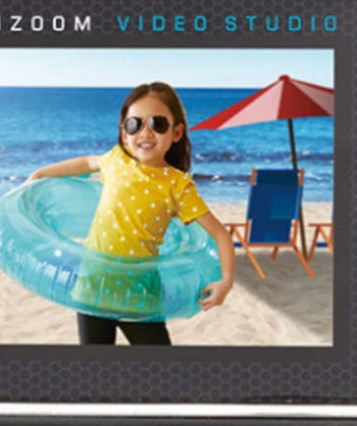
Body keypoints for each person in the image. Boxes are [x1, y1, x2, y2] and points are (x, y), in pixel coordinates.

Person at [27, 81, 235, 344]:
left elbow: (220, 234)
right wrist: (41, 173)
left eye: (158, 124)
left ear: (177, 132)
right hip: (93, 288)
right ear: (124, 133)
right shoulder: (117, 160)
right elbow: (87, 162)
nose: (145, 133)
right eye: (135, 124)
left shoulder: (177, 185)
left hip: (139, 296)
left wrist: (226, 281)